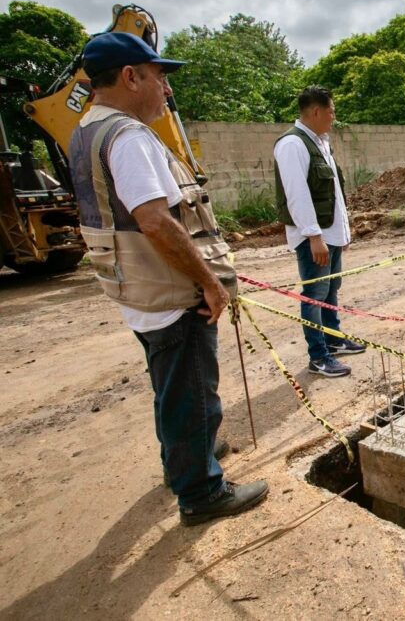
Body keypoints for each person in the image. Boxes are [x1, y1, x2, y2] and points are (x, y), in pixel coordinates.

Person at [67, 32, 268, 526]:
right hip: (170, 292)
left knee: (172, 386)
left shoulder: (87, 130)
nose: (167, 88)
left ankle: (186, 455)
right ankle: (201, 491)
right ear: (130, 77)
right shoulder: (130, 138)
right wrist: (210, 283)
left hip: (136, 289)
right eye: (160, 76)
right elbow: (155, 221)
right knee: (193, 391)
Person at [274, 86, 365, 377]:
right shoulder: (293, 144)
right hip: (314, 238)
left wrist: (343, 232)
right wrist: (314, 236)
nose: (333, 117)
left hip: (330, 234)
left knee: (331, 289)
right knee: (314, 293)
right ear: (316, 111)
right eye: (331, 111)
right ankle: (319, 357)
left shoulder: (321, 143)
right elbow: (297, 195)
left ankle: (333, 339)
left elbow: (334, 191)